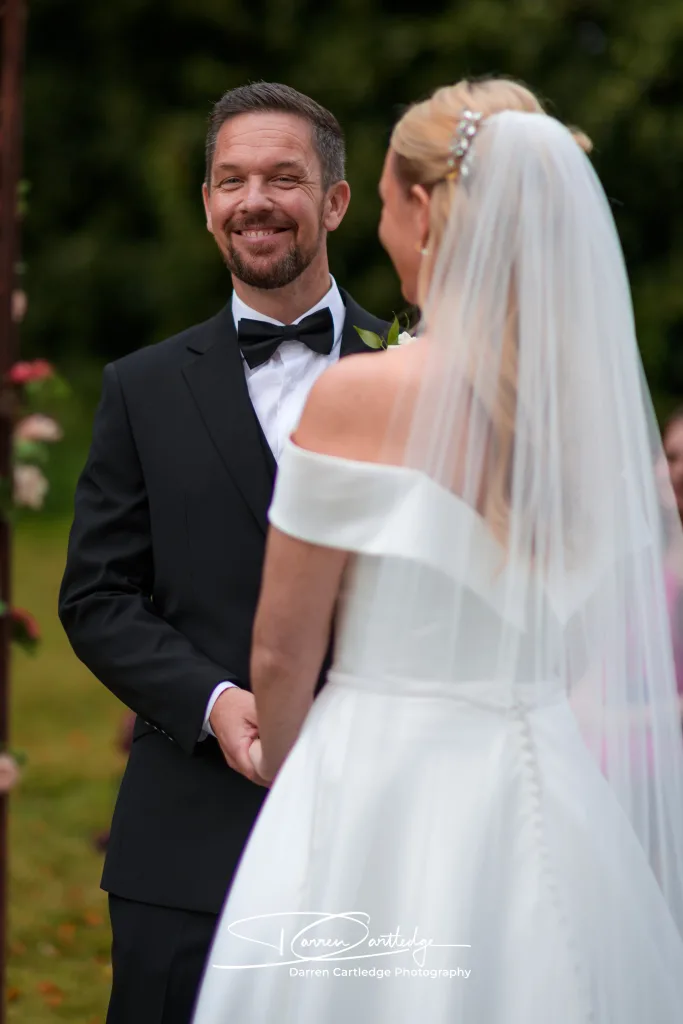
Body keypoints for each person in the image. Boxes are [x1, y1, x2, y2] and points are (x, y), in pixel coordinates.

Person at [192, 77, 683, 1023]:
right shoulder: (585, 422)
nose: (380, 228)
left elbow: (282, 653)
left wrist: (303, 800)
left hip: (373, 779)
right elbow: (579, 637)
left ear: (423, 209)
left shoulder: (355, 397)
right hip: (549, 785)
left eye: (379, 202)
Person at [58, 82, 387, 1024]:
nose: (254, 200)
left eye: (284, 177)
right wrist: (215, 703)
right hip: (189, 834)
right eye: (230, 179)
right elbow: (97, 595)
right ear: (206, 204)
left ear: (333, 201)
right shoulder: (142, 388)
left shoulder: (418, 370)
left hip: (384, 825)